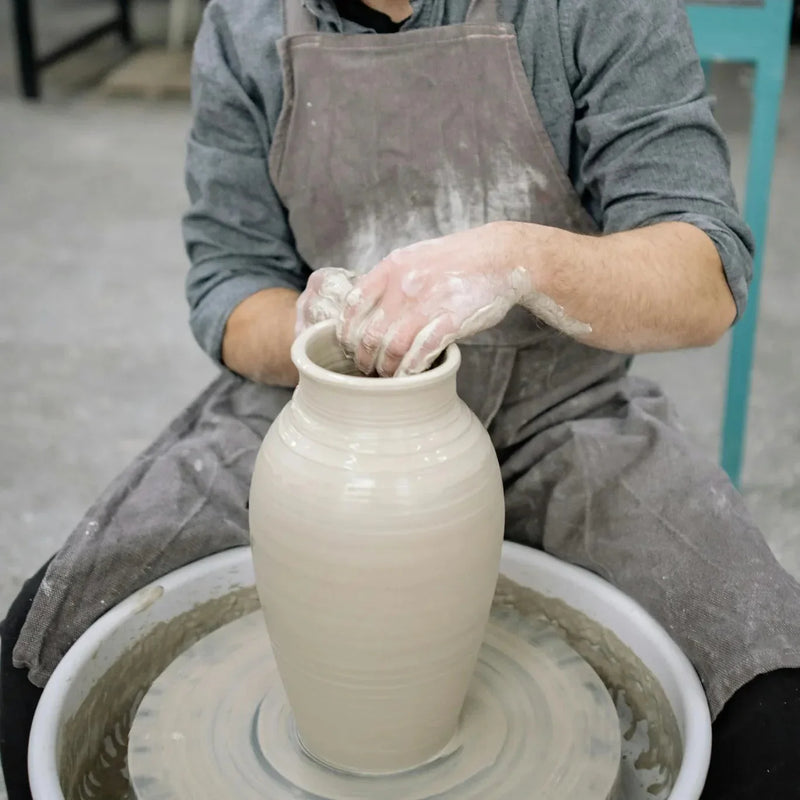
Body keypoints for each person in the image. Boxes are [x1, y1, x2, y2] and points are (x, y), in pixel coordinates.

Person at [2, 0, 800, 797]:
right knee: (38, 664)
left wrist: (518, 259)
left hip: (565, 412)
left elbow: (701, 280)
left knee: (773, 710)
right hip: (314, 414)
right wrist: (316, 326)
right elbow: (228, 283)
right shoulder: (246, 24)